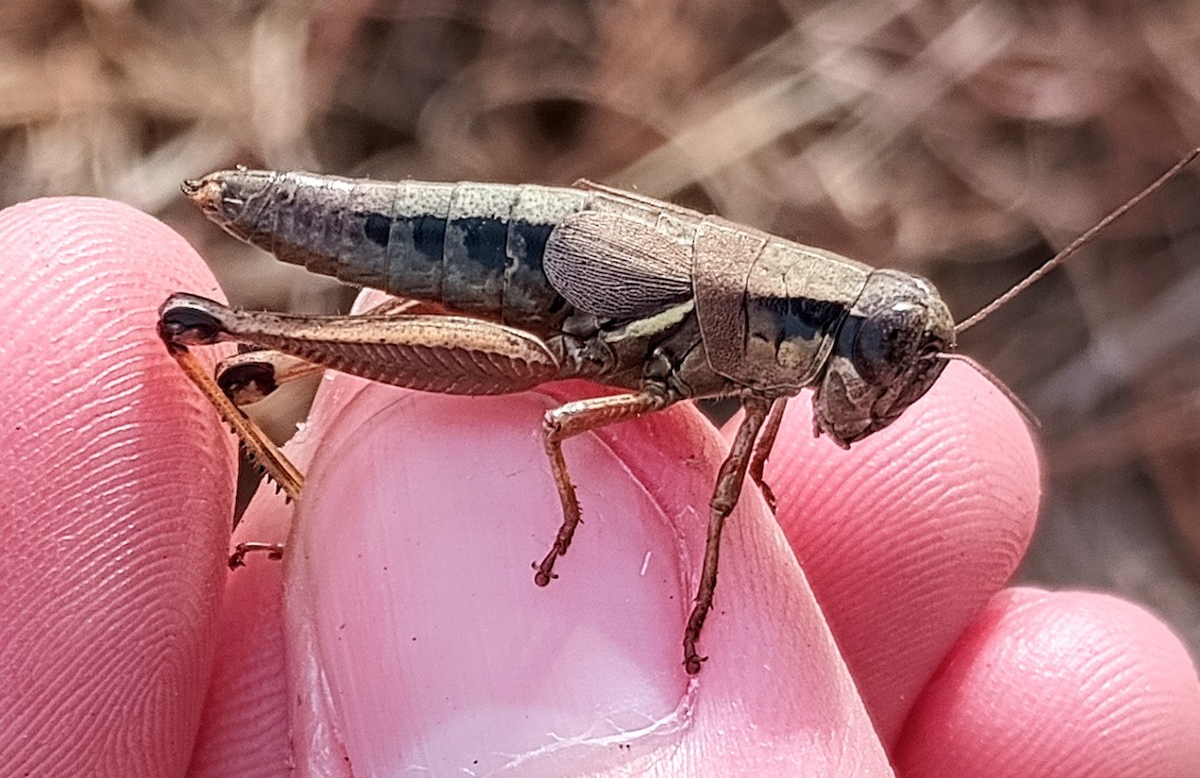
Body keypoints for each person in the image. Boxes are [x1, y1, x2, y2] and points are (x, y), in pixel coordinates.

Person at [3, 195, 1198, 776]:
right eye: (880, 358)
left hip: (564, 294)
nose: (874, 391)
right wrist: (578, 522)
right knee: (211, 332)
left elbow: (748, 456)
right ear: (817, 320)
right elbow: (574, 416)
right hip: (499, 271)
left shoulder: (777, 346)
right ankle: (300, 500)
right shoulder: (754, 321)